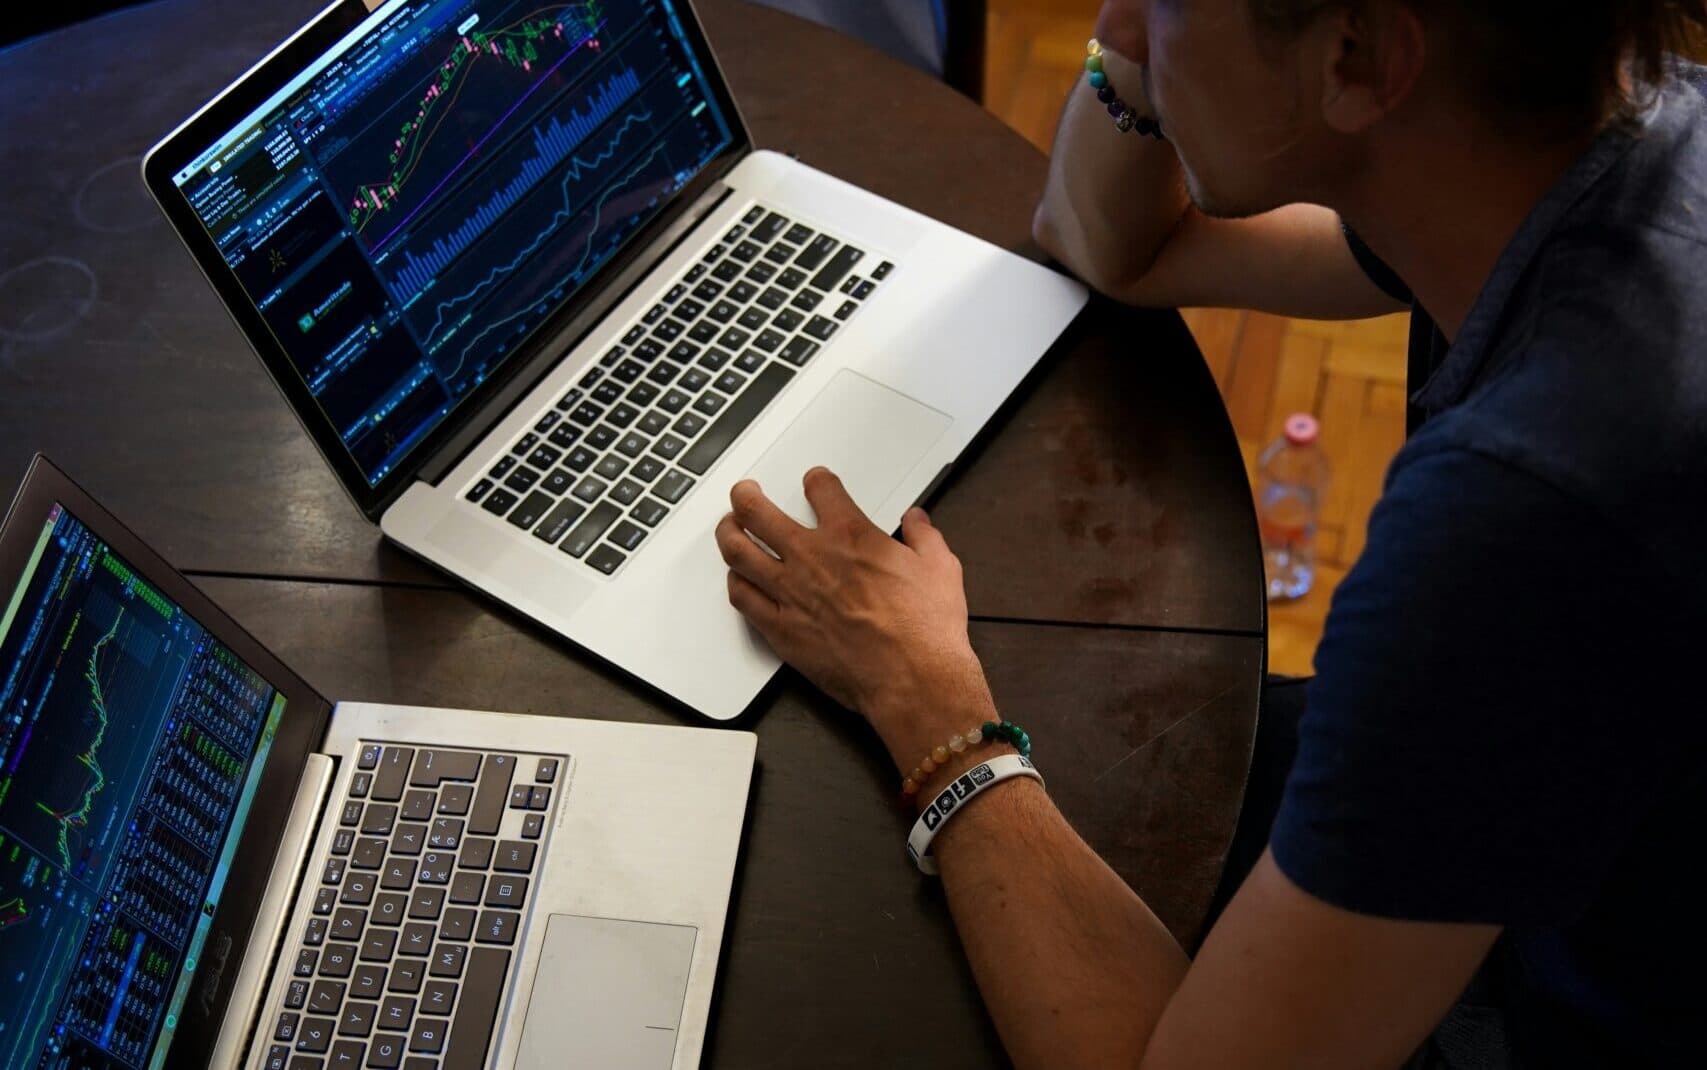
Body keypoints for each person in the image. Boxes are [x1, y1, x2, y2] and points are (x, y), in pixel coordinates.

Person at [712, 0, 1707, 1065]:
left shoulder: (1521, 516)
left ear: (1358, 60)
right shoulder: (1604, 138)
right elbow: (1112, 245)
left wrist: (928, 703)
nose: (1113, 32)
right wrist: (1153, 65)